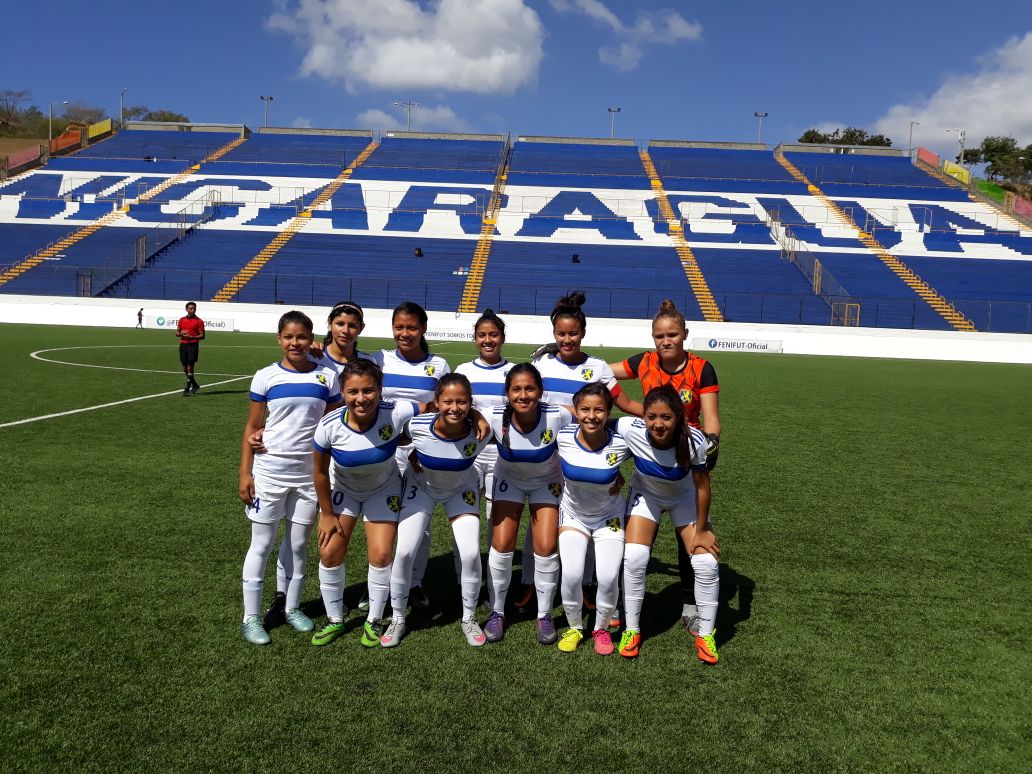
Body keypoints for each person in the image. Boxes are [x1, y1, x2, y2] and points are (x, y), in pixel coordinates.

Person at [522, 290, 638, 622]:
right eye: (561, 333)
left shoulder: (598, 366)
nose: (567, 339)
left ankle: (587, 585)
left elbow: (625, 405)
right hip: (547, 456)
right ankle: (530, 581)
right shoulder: (541, 363)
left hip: (587, 457)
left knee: (585, 518)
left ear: (583, 333)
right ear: (554, 334)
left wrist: (667, 417)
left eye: (573, 333)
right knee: (541, 520)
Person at [609, 299, 721, 635]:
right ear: (652, 337)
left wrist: (706, 450)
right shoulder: (644, 362)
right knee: (636, 543)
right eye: (660, 335)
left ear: (685, 334)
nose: (666, 341)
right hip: (649, 448)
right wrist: (568, 360)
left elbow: (712, 420)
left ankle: (689, 603)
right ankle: (618, 603)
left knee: (691, 541)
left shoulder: (701, 368)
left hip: (686, 456)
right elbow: (603, 373)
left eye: (672, 334)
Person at [238, 311, 341, 645]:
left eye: (301, 337)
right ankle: (250, 617)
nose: (295, 343)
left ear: (311, 339)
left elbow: (332, 424)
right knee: (263, 543)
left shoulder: (327, 376)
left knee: (298, 545)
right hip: (269, 472)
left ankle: (292, 607)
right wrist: (245, 473)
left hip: (309, 474)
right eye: (288, 337)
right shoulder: (265, 377)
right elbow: (252, 429)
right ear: (279, 339)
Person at [309, 360, 425, 648]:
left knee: (381, 554)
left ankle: (373, 620)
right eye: (353, 392)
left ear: (380, 390)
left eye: (368, 391)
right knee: (329, 553)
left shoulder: (395, 411)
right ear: (343, 393)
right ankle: (335, 619)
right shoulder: (328, 426)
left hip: (383, 491)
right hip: (344, 492)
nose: (361, 399)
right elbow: (320, 473)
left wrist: (421, 447)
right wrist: (326, 514)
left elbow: (434, 408)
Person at [614, 385, 719, 663]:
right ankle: (632, 630)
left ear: (679, 418)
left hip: (684, 498)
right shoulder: (630, 428)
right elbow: (595, 424)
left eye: (666, 417)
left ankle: (707, 635)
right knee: (635, 557)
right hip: (646, 496)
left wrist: (703, 529)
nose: (658, 424)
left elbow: (702, 486)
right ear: (644, 416)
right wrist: (611, 471)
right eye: (651, 417)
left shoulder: (695, 440)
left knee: (706, 563)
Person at [388, 374, 491, 647]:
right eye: (448, 401)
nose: (454, 408)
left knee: (469, 553)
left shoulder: (481, 430)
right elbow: (405, 443)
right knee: (405, 551)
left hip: (460, 489)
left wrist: (479, 416)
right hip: (421, 488)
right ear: (436, 402)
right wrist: (412, 456)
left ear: (471, 404)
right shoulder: (418, 424)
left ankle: (468, 618)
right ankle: (398, 618)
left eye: (462, 402)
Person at [482, 363, 571, 645]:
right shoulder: (494, 417)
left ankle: (544, 615)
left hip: (547, 482)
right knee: (502, 543)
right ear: (507, 393)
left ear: (540, 392)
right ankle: (497, 611)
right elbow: (464, 424)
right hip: (509, 480)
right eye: (516, 389)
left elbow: (588, 437)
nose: (523, 395)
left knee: (545, 546)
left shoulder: (558, 415)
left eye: (530, 388)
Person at [372, 302, 451, 611]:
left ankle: (415, 582)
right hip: (383, 451)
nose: (405, 333)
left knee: (420, 521)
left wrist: (425, 446)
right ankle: (378, 582)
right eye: (399, 327)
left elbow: (443, 411)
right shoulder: (379, 359)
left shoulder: (439, 365)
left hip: (420, 453)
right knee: (382, 518)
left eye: (412, 327)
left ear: (423, 329)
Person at [554, 383, 630, 655]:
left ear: (608, 412)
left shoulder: (621, 443)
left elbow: (651, 453)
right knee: (572, 574)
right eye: (584, 409)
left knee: (608, 577)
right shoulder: (562, 436)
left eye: (599, 410)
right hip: (573, 515)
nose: (591, 416)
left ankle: (601, 628)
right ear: (576, 411)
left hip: (609, 517)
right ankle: (574, 627)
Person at [454, 310, 514, 585]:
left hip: (500, 455)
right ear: (474, 339)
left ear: (502, 338)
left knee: (496, 520)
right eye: (482, 335)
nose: (488, 340)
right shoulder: (464, 371)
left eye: (493, 334)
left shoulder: (513, 372)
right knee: (465, 518)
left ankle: (493, 582)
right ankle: (464, 581)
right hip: (468, 455)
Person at [313, 300, 375, 375]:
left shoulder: (368, 363)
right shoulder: (312, 357)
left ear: (361, 328)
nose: (345, 331)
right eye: (340, 324)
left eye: (352, 326)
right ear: (329, 323)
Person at [176, 301, 205, 396]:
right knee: (184, 368)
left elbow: (202, 336)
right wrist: (181, 334)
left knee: (190, 367)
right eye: (191, 308)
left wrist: (192, 337)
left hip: (193, 345)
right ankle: (195, 385)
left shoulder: (199, 321)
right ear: (186, 309)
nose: (193, 310)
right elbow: (177, 333)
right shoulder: (181, 320)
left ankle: (187, 388)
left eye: (194, 308)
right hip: (183, 345)